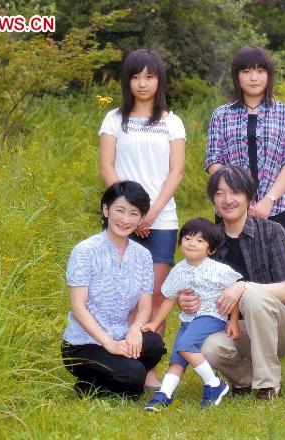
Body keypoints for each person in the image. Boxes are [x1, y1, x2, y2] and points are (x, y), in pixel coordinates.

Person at [179, 166, 285, 400]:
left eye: (236, 192)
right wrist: (186, 300)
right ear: (213, 200)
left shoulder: (273, 232)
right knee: (208, 346)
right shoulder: (208, 242)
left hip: (281, 327)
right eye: (220, 193)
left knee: (252, 295)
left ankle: (268, 385)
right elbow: (197, 290)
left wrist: (243, 286)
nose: (228, 200)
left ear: (249, 196)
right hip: (237, 329)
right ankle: (244, 379)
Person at [99, 48, 186, 389]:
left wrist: (149, 213)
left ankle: (148, 367)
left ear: (159, 80)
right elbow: (107, 166)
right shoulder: (113, 119)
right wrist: (129, 212)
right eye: (136, 77)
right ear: (127, 81)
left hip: (161, 220)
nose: (143, 83)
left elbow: (176, 173)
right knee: (120, 293)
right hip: (123, 219)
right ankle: (117, 360)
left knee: (154, 296)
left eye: (149, 76)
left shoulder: (171, 122)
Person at [61, 181, 166, 400]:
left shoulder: (143, 256)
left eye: (134, 213)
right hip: (84, 344)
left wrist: (136, 329)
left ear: (141, 218)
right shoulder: (85, 251)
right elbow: (78, 306)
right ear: (106, 209)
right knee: (135, 375)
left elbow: (145, 305)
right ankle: (96, 382)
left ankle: (102, 382)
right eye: (120, 210)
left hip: (122, 335)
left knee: (154, 345)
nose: (125, 219)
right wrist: (109, 344)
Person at [141, 218, 243, 411]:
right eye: (187, 238)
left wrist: (234, 321)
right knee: (177, 357)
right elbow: (169, 299)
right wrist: (154, 324)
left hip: (213, 316)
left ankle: (214, 384)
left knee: (185, 345)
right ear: (180, 243)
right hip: (189, 321)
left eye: (199, 241)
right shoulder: (178, 270)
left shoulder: (219, 270)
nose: (192, 243)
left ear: (210, 249)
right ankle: (164, 395)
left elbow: (234, 295)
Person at [205, 45, 285, 241]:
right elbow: (213, 161)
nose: (253, 78)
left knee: (278, 271)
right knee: (231, 271)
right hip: (230, 210)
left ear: (269, 75)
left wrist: (268, 200)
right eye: (246, 71)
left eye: (260, 71)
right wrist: (237, 198)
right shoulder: (221, 115)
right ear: (237, 76)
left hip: (276, 209)